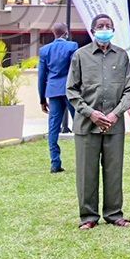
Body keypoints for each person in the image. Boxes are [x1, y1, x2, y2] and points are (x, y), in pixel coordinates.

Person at [66, 14, 130, 229]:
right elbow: (71, 89)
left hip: (114, 125)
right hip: (87, 125)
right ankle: (88, 216)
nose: (105, 29)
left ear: (114, 29)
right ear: (93, 30)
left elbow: (129, 90)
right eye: (101, 26)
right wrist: (91, 113)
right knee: (87, 173)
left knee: (114, 171)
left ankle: (114, 213)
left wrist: (115, 114)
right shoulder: (80, 55)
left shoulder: (122, 56)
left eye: (108, 26)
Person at [37, 23, 78, 173]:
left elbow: (41, 76)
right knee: (79, 125)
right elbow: (76, 69)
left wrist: (42, 98)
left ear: (53, 33)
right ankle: (82, 159)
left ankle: (55, 163)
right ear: (66, 33)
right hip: (70, 91)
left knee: (53, 128)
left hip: (53, 91)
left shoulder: (44, 50)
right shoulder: (72, 46)